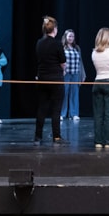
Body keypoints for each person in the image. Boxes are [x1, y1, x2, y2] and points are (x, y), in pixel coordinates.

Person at [35, 15, 67, 144]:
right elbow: (63, 62)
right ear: (55, 29)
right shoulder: (57, 43)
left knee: (42, 108)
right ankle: (56, 137)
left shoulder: (39, 42)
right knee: (56, 109)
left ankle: (38, 137)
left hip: (42, 79)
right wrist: (63, 70)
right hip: (55, 79)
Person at [61, 28, 85, 120]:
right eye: (69, 36)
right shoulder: (62, 47)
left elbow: (80, 62)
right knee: (64, 93)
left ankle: (74, 114)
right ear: (66, 37)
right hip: (65, 74)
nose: (71, 38)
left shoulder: (77, 48)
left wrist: (82, 75)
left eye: (72, 36)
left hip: (75, 73)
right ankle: (62, 114)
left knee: (74, 94)